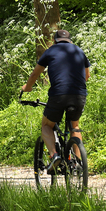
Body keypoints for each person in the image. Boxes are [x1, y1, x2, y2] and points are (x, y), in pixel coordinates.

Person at [21, 28, 91, 169]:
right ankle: (78, 163)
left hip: (59, 94)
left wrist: (27, 88)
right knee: (74, 126)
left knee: (46, 126)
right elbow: (87, 76)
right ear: (70, 40)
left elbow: (35, 74)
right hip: (79, 94)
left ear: (54, 40)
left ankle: (54, 156)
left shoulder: (50, 51)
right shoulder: (78, 51)